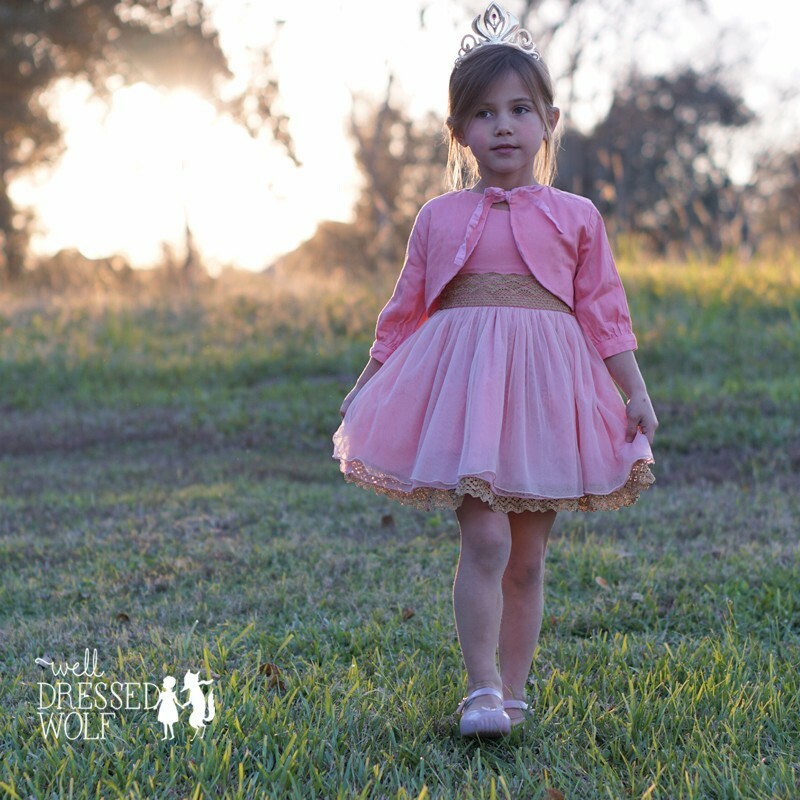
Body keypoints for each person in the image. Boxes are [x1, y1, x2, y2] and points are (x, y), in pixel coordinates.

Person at [332, 2, 658, 739]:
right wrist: (367, 381)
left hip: (546, 394)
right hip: (471, 396)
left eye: (519, 110)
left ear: (548, 121)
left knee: (528, 558)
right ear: (459, 132)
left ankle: (513, 692)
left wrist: (633, 390)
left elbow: (604, 311)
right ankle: (479, 689)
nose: (503, 126)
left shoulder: (578, 216)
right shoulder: (438, 217)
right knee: (484, 541)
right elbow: (405, 310)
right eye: (483, 113)